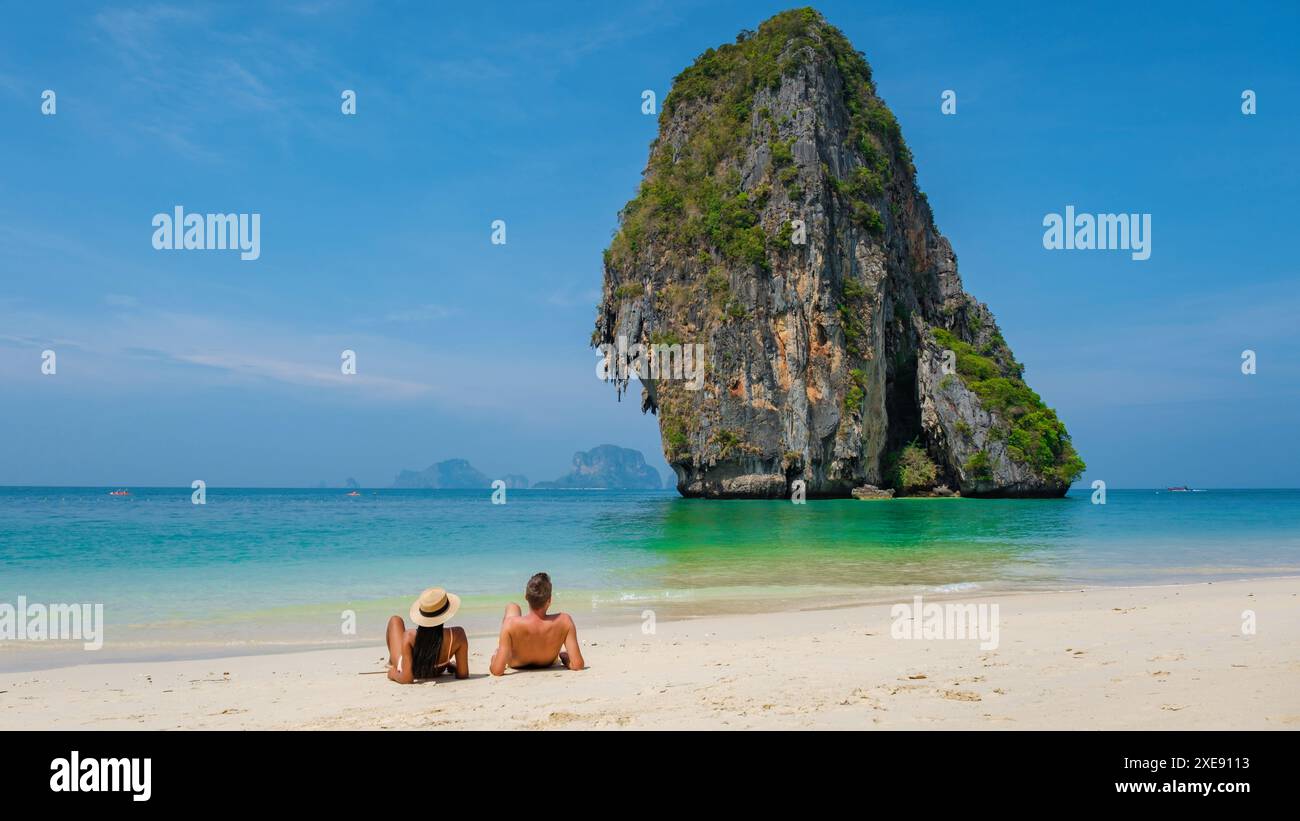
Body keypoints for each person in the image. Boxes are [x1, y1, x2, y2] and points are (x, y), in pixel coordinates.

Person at [489, 572, 585, 675]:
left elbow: (497, 670)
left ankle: (504, 648)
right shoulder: (565, 621)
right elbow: (577, 665)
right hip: (547, 662)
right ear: (549, 600)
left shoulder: (510, 624)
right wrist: (565, 657)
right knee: (513, 608)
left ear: (526, 597)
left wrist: (494, 658)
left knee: (512, 607)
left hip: (516, 663)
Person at [385, 586, 469, 684]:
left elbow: (406, 678)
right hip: (437, 670)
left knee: (395, 620)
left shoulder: (410, 636)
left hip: (413, 671)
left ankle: (392, 661)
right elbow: (463, 674)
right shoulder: (458, 634)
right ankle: (392, 660)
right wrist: (451, 666)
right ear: (446, 611)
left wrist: (392, 673)